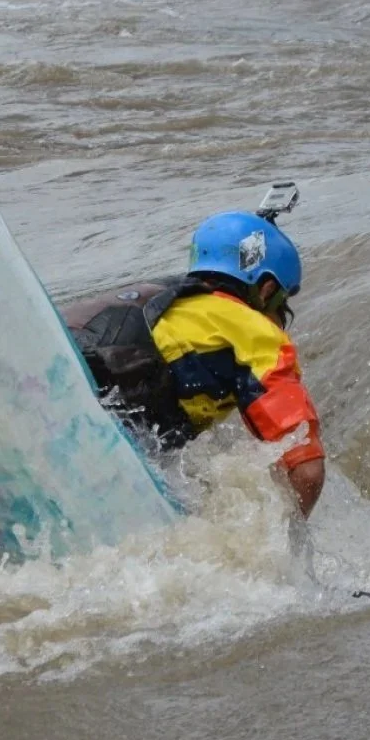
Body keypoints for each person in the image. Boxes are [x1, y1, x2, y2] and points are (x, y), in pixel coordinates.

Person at [59, 198, 325, 517]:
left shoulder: (162, 294)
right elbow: (308, 471)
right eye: (282, 301)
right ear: (266, 290)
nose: (281, 318)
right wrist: (288, 539)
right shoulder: (256, 334)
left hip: (65, 361)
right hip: (104, 417)